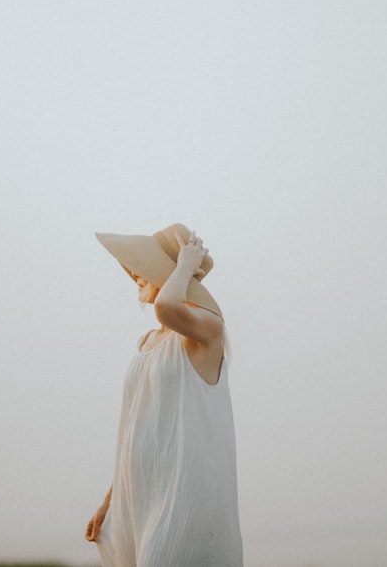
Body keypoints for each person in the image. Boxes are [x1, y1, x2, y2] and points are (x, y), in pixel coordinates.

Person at [85, 223, 243, 567]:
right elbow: (138, 425)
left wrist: (186, 265)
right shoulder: (147, 342)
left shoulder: (207, 332)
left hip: (183, 491)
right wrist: (110, 501)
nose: (135, 274)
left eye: (145, 267)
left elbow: (167, 308)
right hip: (138, 493)